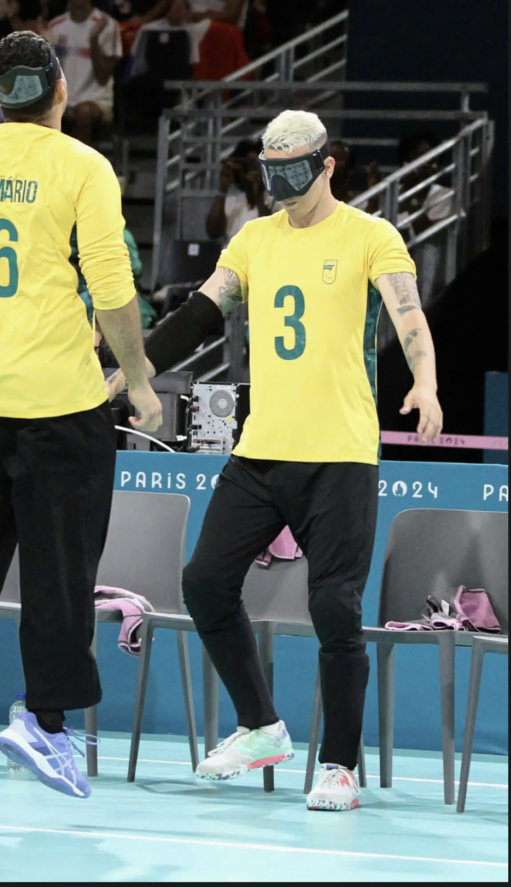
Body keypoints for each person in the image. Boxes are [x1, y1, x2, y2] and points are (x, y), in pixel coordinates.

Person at [107, 108, 443, 812]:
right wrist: (131, 369)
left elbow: (408, 315)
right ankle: (260, 725)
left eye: (295, 172)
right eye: (271, 172)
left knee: (333, 606)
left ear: (326, 166)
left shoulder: (370, 236)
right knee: (204, 583)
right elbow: (199, 315)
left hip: (341, 456)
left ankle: (340, 767)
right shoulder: (254, 240)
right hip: (262, 454)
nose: (281, 186)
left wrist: (426, 381)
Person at [0, 30, 162, 797]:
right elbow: (112, 288)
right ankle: (42, 723)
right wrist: (138, 378)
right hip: (61, 403)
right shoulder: (83, 165)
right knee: (59, 569)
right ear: (59, 94)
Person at [47, 0, 122, 146]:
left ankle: (79, 170)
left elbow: (104, 77)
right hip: (63, 101)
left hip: (98, 102)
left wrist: (94, 41)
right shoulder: (55, 26)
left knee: (84, 112)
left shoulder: (107, 24)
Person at [206, 139, 269, 240]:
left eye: (255, 166)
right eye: (246, 166)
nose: (250, 172)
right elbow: (213, 233)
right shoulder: (231, 200)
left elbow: (271, 234)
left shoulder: (276, 200)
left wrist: (258, 196)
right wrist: (223, 189)